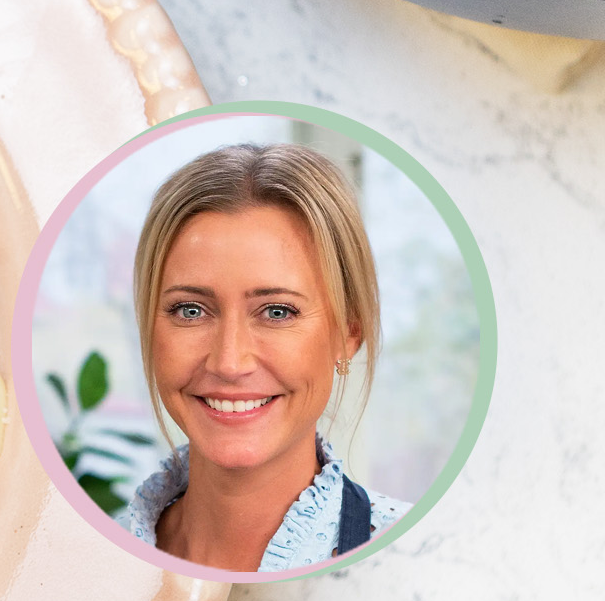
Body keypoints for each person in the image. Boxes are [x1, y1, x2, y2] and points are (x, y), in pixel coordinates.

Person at [122, 143, 410, 572]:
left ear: (348, 335)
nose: (229, 362)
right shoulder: (73, 564)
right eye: (190, 310)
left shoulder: (421, 557)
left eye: (278, 312)